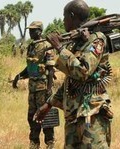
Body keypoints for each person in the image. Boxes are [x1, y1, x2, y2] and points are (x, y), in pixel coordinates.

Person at [34, 0, 113, 148]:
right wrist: (48, 104)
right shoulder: (75, 43)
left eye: (64, 17)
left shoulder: (96, 39)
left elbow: (83, 71)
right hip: (74, 115)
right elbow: (71, 81)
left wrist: (59, 48)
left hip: (92, 112)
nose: (63, 21)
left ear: (72, 15)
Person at [12, 21, 56, 149]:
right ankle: (34, 143)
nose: (30, 32)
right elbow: (30, 66)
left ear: (40, 31)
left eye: (33, 30)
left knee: (45, 115)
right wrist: (18, 77)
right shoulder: (31, 46)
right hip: (32, 88)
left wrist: (49, 89)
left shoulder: (47, 46)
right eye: (30, 30)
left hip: (43, 88)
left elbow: (51, 68)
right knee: (32, 116)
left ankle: (50, 143)